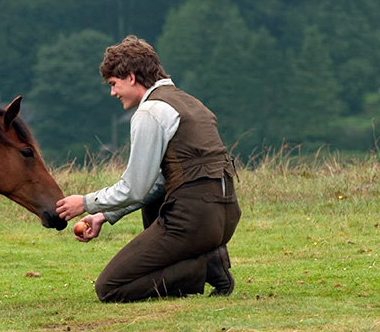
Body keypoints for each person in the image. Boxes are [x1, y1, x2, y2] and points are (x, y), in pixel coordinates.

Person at [56, 35, 241, 302]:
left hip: (193, 221)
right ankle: (207, 258)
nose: (113, 92)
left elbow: (134, 188)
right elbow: (158, 183)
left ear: (131, 77)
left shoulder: (151, 112)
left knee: (109, 288)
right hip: (224, 218)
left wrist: (85, 203)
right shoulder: (190, 103)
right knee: (153, 202)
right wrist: (104, 215)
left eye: (113, 83)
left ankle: (205, 267)